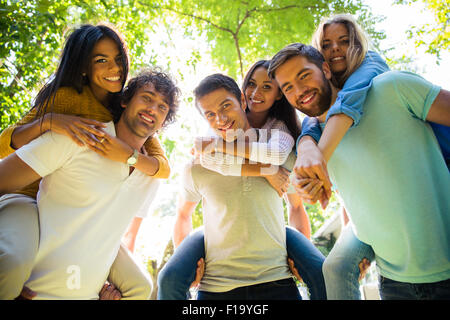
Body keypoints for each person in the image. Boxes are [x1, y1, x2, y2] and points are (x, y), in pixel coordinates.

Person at [0, 24, 170, 300]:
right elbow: (4, 145)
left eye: (118, 58)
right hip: (25, 195)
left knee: (141, 286)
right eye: (101, 60)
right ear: (83, 67)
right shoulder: (65, 99)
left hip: (67, 204)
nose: (114, 67)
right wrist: (50, 122)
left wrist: (128, 156)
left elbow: (160, 163)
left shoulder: (122, 107)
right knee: (13, 262)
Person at [268, 42, 450, 299]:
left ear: (326, 69)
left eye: (304, 75)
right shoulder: (312, 146)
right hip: (395, 284)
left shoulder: (391, 87)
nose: (299, 90)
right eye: (288, 87)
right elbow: (355, 196)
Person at [157, 60, 326, 300]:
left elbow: (296, 206)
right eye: (211, 114)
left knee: (325, 274)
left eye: (227, 106)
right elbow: (183, 214)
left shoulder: (278, 145)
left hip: (276, 280)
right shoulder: (198, 164)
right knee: (168, 279)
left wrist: (298, 259)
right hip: (217, 286)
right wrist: (190, 266)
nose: (221, 118)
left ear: (243, 102)